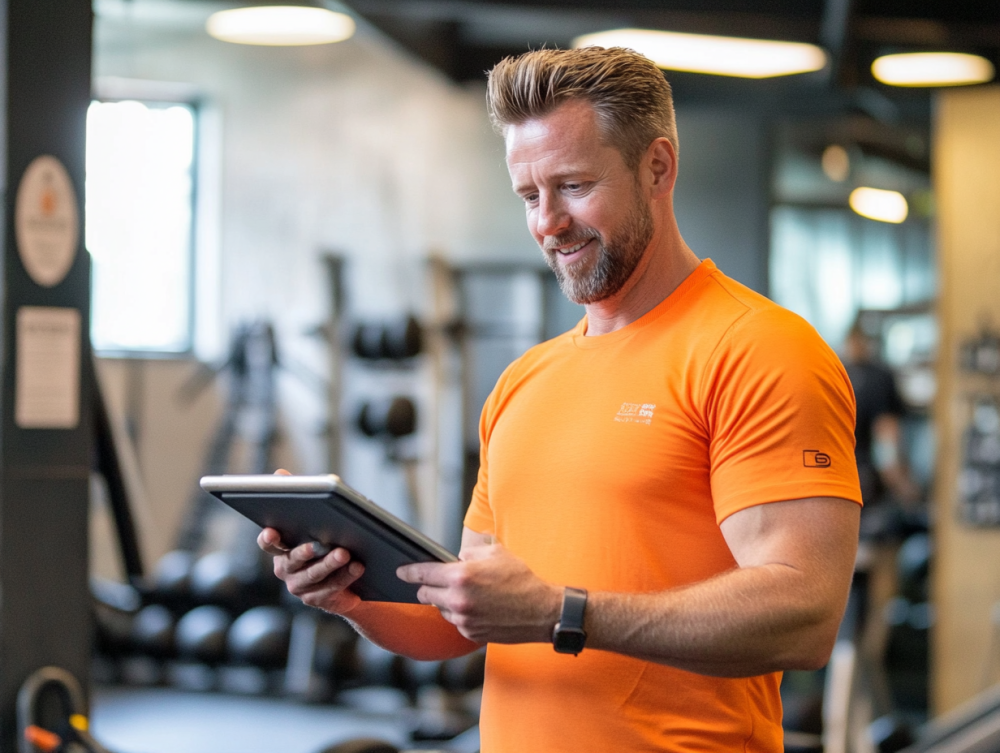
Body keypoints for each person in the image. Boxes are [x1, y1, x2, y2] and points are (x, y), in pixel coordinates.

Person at [259, 47, 862, 752]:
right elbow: (458, 621)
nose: (548, 222)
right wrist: (349, 594)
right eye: (528, 196)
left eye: (573, 186)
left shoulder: (758, 349)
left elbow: (804, 614)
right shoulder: (524, 382)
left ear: (657, 168)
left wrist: (562, 613)